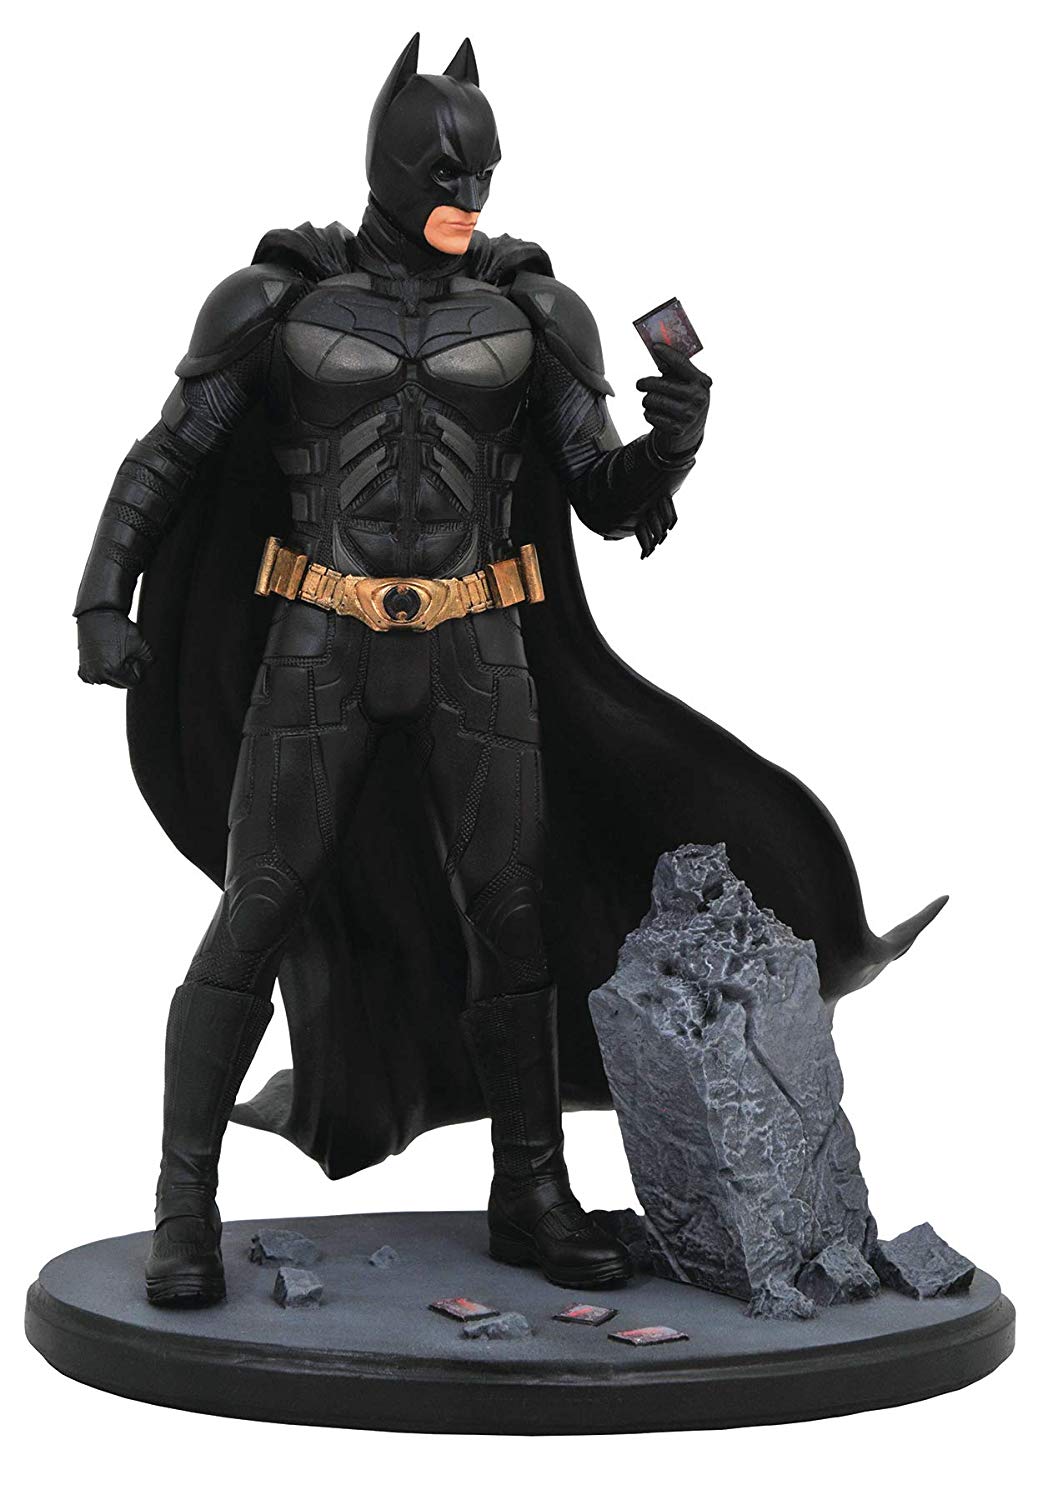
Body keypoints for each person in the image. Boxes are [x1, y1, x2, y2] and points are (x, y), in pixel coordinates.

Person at [75, 35, 941, 1307]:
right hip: (320, 640)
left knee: (515, 918)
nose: (467, 192)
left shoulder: (532, 312)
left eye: (482, 171)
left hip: (479, 647)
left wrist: (673, 444)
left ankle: (528, 1191)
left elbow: (603, 493)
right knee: (259, 907)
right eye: (443, 170)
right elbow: (168, 458)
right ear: (385, 162)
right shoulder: (275, 302)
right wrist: (101, 596)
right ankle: (180, 1204)